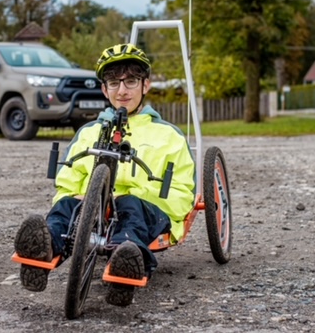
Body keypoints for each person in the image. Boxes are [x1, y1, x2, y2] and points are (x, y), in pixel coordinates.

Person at [14, 43, 195, 306]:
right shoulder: (88, 133)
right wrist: (76, 197)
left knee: (130, 209)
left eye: (131, 81)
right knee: (66, 206)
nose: (122, 91)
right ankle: (43, 250)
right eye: (113, 83)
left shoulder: (169, 136)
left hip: (146, 209)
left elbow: (182, 193)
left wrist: (138, 198)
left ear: (145, 85)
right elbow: (67, 182)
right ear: (104, 89)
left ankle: (126, 262)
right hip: (94, 207)